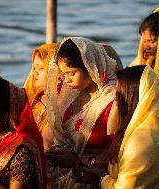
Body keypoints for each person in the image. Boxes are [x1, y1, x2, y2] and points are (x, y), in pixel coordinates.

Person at [73, 65, 159, 188]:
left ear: (131, 96)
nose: (116, 99)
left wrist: (101, 178)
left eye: (119, 93)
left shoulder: (141, 139)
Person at [45, 37, 118, 189]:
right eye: (63, 74)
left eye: (71, 73)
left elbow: (120, 155)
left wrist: (77, 160)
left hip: (99, 180)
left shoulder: (112, 101)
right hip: (72, 175)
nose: (66, 80)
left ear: (90, 67)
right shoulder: (72, 96)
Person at [24, 43, 59, 149]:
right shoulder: (32, 97)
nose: (34, 72)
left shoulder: (60, 104)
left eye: (41, 68)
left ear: (55, 71)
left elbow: (46, 144)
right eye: (34, 67)